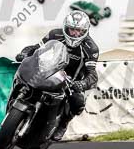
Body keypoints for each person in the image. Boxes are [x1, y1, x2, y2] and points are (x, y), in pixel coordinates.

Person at [15, 10, 99, 141]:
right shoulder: (55, 34)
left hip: (72, 80)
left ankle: (64, 123)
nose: (75, 33)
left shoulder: (90, 48)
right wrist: (25, 53)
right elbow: (36, 48)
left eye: (79, 31)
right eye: (72, 30)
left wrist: (81, 84)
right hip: (49, 71)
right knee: (26, 77)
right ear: (66, 27)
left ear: (86, 31)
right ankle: (18, 100)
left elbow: (92, 74)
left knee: (78, 102)